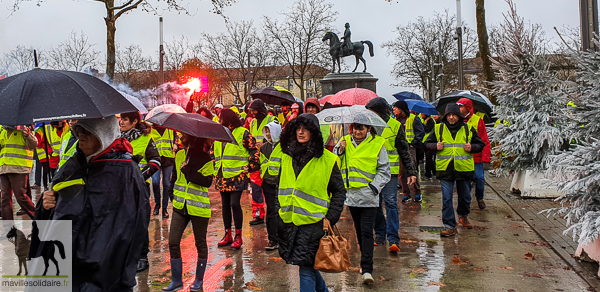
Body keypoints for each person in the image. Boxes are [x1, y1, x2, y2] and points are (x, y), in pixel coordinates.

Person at [36, 116, 149, 291]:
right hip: (70, 261)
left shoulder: (125, 170)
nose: (81, 135)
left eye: (88, 131)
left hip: (106, 265)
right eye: (79, 130)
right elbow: (53, 215)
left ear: (103, 135)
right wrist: (46, 204)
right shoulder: (73, 165)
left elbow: (136, 222)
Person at [269, 114, 346, 292]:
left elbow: (339, 191)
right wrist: (278, 212)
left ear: (314, 132)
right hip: (290, 221)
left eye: (305, 129)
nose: (301, 132)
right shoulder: (286, 155)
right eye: (297, 128)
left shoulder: (328, 159)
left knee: (305, 267)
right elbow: (280, 187)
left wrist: (331, 217)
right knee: (306, 264)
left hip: (314, 222)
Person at [334, 122, 390, 284]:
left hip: (369, 196)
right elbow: (334, 164)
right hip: (351, 196)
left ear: (368, 129)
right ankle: (364, 263)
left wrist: (374, 187)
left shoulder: (377, 144)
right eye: (356, 128)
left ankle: (367, 269)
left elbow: (384, 170)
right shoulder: (343, 141)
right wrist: (340, 151)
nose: (358, 132)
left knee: (366, 231)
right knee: (359, 230)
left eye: (362, 128)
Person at [424, 104, 485, 237]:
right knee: (447, 199)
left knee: (465, 197)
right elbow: (426, 144)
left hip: (464, 169)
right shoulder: (438, 128)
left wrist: (472, 147)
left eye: (454, 115)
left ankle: (463, 215)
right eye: (449, 115)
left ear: (459, 116)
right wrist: (435, 146)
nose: (451, 117)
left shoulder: (468, 129)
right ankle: (449, 226)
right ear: (445, 116)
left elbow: (481, 144)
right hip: (445, 169)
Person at [163, 133, 214, 292]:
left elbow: (207, 182)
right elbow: (174, 178)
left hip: (198, 207)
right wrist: (172, 195)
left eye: (183, 136)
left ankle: (198, 281)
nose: (180, 138)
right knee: (173, 242)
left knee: (200, 243)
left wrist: (188, 170)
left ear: (192, 138)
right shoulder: (179, 155)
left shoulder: (206, 158)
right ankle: (176, 281)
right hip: (180, 206)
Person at [366, 97, 417, 252]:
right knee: (375, 205)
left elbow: (404, 150)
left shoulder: (395, 126)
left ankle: (393, 238)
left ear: (380, 111)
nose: (370, 114)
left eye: (372, 111)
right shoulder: (368, 125)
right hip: (372, 173)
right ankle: (380, 235)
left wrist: (411, 172)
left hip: (390, 173)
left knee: (391, 204)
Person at [119, 111, 161, 273]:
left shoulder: (146, 139)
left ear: (135, 121)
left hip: (139, 187)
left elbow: (156, 161)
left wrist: (140, 176)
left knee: (140, 221)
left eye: (125, 119)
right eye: (121, 119)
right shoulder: (117, 137)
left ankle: (142, 257)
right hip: (121, 186)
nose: (121, 122)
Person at [213, 109, 260, 250]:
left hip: (237, 174)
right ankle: (228, 234)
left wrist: (251, 166)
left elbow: (254, 150)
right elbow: (213, 152)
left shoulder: (242, 132)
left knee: (234, 204)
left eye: (221, 117)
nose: (219, 120)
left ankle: (238, 235)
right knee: (225, 205)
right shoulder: (219, 133)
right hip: (222, 175)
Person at [457, 98, 491, 210]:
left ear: (467, 108)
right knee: (465, 182)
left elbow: (484, 139)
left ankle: (479, 197)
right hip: (462, 157)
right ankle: (466, 200)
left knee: (480, 178)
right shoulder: (456, 120)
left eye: (461, 106)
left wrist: (486, 156)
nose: (458, 108)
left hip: (476, 157)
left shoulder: (477, 120)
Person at [248, 99, 277, 225]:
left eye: (254, 110)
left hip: (268, 157)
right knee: (255, 188)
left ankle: (272, 213)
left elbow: (277, 137)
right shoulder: (253, 122)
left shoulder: (272, 120)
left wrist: (265, 144)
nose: (253, 113)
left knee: (269, 190)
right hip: (256, 158)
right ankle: (258, 214)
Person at [0, 125, 37, 220]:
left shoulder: (23, 129)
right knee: (4, 199)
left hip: (19, 168)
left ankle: (39, 218)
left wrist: (28, 135)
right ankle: (8, 228)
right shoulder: (3, 131)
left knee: (21, 197)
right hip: (4, 168)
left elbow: (33, 145)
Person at [393, 101, 424, 202]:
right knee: (401, 172)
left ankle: (417, 193)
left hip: (410, 148)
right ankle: (406, 193)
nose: (394, 109)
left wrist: (414, 143)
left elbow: (420, 132)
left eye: (396, 108)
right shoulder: (394, 120)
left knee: (412, 170)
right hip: (399, 148)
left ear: (401, 109)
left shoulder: (413, 119)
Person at [259, 121, 282, 250]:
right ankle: (272, 239)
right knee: (271, 211)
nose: (268, 134)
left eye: (269, 131)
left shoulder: (284, 147)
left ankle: (281, 237)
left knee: (280, 211)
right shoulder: (264, 148)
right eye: (266, 131)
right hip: (267, 183)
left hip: (281, 183)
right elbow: (259, 163)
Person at [151, 124, 177, 218]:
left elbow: (176, 138)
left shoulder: (170, 129)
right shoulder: (151, 131)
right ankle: (157, 204)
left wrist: (175, 144)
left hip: (168, 158)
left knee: (167, 183)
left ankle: (164, 208)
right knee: (155, 182)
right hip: (156, 159)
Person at [420, 113, 437, 180]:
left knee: (429, 159)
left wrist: (422, 126)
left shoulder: (430, 121)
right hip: (427, 142)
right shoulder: (426, 120)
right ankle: (434, 172)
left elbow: (427, 130)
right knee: (429, 159)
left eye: (422, 114)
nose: (421, 114)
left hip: (430, 142)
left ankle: (428, 174)